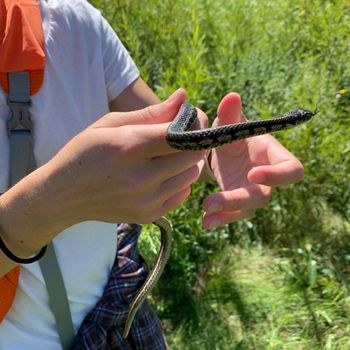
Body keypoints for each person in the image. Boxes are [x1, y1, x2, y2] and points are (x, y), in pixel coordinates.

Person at [0, 0, 304, 349]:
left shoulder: (73, 23)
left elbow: (167, 140)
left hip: (114, 306)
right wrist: (53, 202)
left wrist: (216, 155)